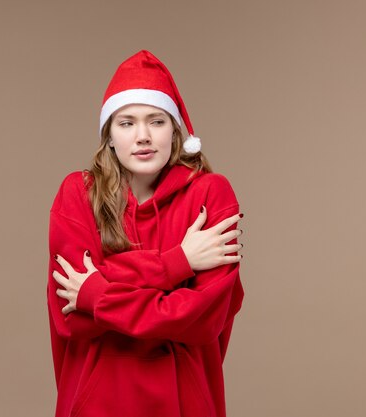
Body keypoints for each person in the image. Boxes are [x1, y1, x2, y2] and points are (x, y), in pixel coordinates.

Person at [47, 50, 244, 417]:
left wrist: (98, 292)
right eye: (126, 123)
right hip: (97, 403)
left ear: (175, 130)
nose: (143, 137)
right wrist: (177, 263)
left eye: (156, 121)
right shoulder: (77, 193)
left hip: (185, 404)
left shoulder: (211, 193)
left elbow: (203, 320)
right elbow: (71, 315)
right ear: (108, 135)